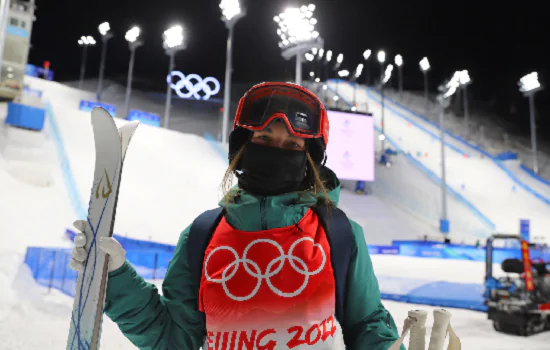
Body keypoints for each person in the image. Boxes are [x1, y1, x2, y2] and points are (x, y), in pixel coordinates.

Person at [70, 82, 404, 350]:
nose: (277, 150)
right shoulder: (203, 235)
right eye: (264, 139)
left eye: (292, 146)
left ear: (310, 160)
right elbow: (173, 340)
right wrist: (114, 278)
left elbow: (368, 326)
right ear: (244, 147)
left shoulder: (339, 234)